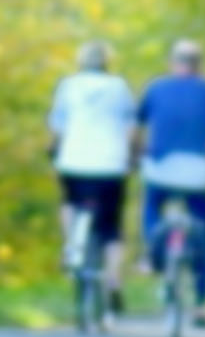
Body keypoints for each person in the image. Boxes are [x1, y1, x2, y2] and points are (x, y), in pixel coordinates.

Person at [135, 38, 205, 328]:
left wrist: (135, 156)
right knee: (204, 232)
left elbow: (137, 128)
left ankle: (151, 252)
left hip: (161, 168)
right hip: (198, 171)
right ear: (199, 65)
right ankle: (201, 304)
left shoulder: (155, 87)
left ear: (172, 62)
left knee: (152, 206)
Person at [47, 41, 140, 321]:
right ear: (105, 62)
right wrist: (132, 156)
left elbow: (57, 125)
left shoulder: (68, 86)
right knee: (111, 227)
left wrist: (54, 149)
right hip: (111, 163)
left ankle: (71, 246)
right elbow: (131, 126)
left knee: (69, 201)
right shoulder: (119, 87)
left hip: (74, 160)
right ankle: (113, 280)